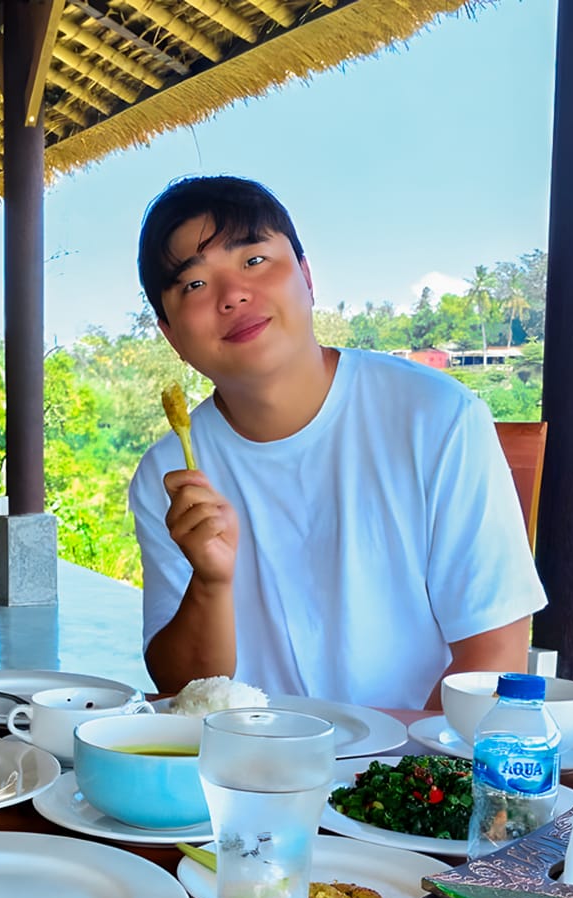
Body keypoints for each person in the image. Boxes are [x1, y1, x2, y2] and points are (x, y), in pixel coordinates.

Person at [128, 176, 546, 710]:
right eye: (194, 285)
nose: (233, 295)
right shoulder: (171, 473)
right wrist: (210, 582)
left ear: (306, 276)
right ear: (171, 335)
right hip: (242, 777)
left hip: (411, 770)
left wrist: (391, 782)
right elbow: (182, 691)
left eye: (254, 261)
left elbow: (494, 655)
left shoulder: (436, 417)